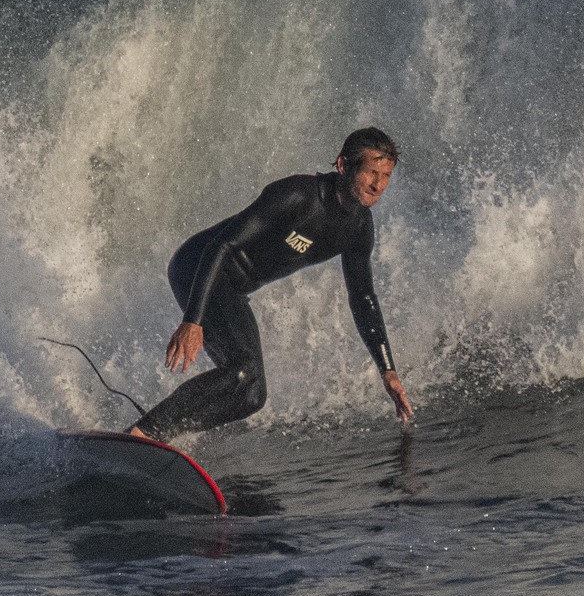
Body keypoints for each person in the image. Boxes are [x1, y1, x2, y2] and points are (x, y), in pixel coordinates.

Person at [128, 127, 414, 441]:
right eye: (371, 173)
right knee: (244, 370)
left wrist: (387, 370)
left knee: (252, 395)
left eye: (386, 176)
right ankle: (143, 433)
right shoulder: (298, 196)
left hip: (232, 290)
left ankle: (159, 434)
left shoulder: (358, 227)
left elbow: (363, 297)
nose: (378, 185)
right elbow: (222, 246)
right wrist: (192, 321)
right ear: (344, 165)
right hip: (197, 267)